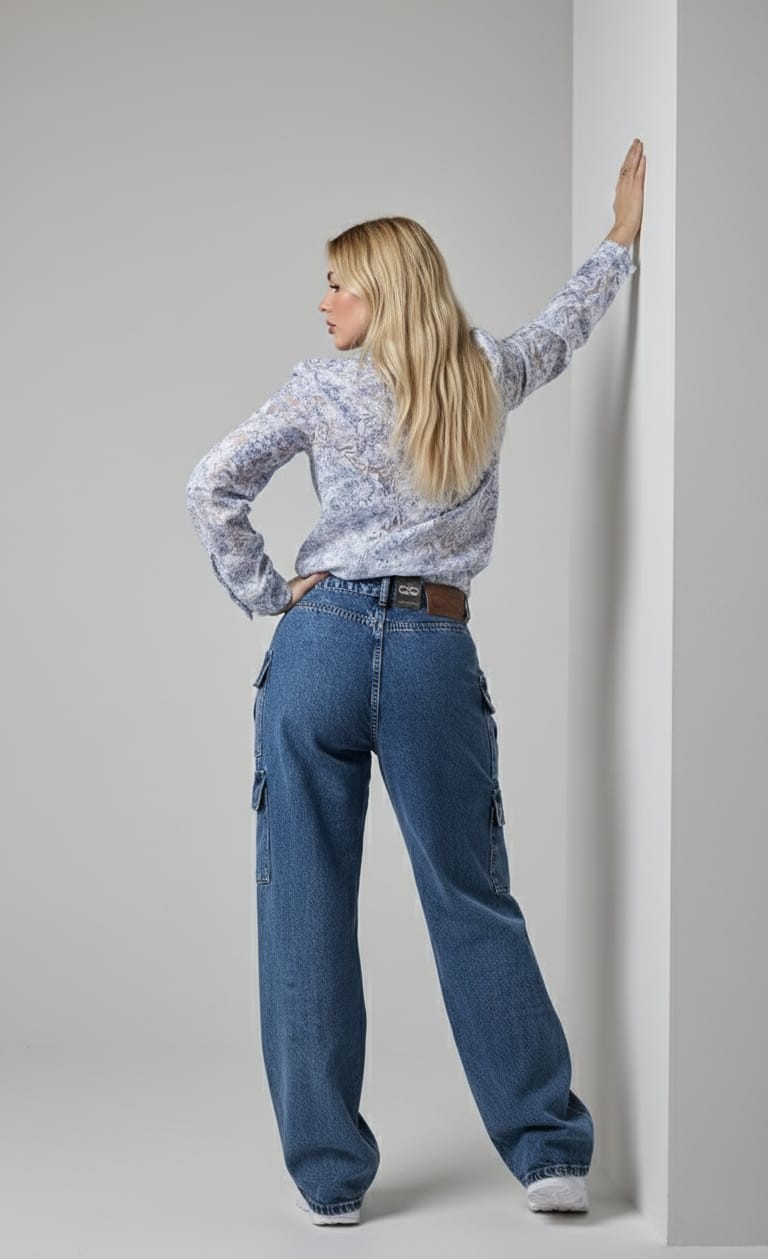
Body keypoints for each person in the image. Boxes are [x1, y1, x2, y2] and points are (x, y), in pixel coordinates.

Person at [185, 139, 646, 1227]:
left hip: (320, 650)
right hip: (436, 648)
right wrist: (620, 245)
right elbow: (564, 328)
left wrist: (269, 593)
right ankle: (547, 1153)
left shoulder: (320, 389)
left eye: (337, 284)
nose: (323, 302)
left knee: (302, 904)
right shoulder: (484, 373)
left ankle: (329, 1177)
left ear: (381, 291)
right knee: (472, 895)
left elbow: (212, 486)